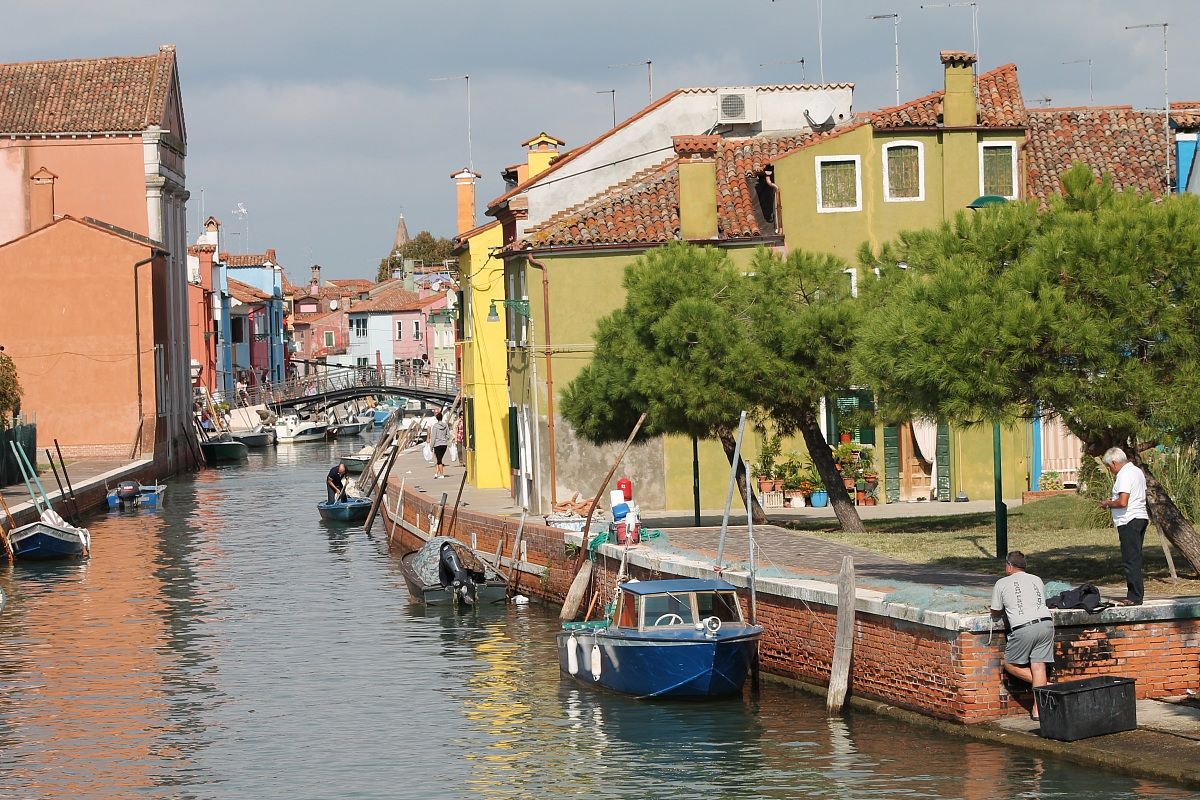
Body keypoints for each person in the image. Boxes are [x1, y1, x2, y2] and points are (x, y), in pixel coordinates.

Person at [991, 550, 1055, 720]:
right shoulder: (1037, 579)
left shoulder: (1001, 583)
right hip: (1046, 624)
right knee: (1039, 665)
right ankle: (1038, 711)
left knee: (1010, 664)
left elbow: (996, 611)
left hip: (1024, 628)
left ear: (1009, 566)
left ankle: (1047, 685)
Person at [1100, 447, 1150, 606]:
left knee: (1130, 559)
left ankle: (1134, 596)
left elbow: (1123, 502)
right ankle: (1136, 593)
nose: (1110, 470)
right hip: (1140, 517)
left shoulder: (1124, 475)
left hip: (1129, 520)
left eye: (1109, 466)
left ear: (1114, 463)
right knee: (1135, 557)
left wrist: (1108, 503)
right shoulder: (1137, 471)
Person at [430, 411, 452, 479]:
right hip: (444, 445)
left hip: (437, 445)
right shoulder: (446, 425)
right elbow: (448, 436)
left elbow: (433, 437)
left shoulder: (435, 426)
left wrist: (431, 446)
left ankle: (442, 474)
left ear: (436, 418)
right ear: (442, 418)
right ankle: (436, 473)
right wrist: (444, 438)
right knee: (439, 459)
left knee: (439, 460)